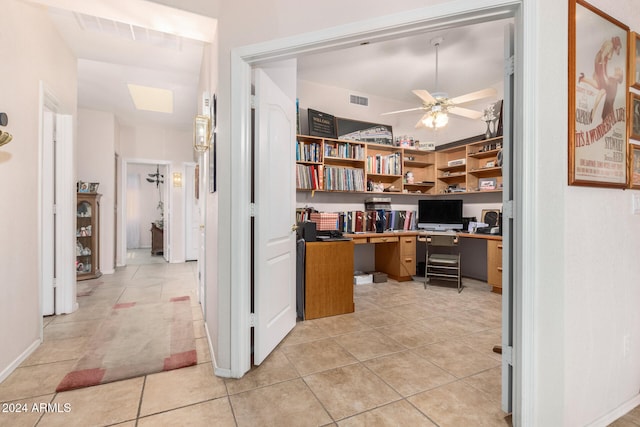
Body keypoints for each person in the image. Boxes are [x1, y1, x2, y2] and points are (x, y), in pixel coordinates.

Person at [578, 36, 623, 122]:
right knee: (603, 89)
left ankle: (583, 79)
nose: (618, 49)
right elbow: (602, 57)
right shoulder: (610, 46)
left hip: (601, 65)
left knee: (600, 87)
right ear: (616, 44)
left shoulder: (611, 47)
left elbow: (604, 58)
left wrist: (601, 73)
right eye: (618, 47)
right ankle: (593, 112)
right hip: (601, 65)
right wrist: (604, 75)